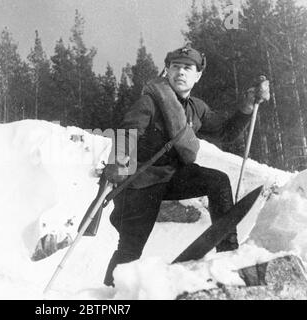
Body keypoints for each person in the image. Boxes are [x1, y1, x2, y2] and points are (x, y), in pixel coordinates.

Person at [103, 44, 269, 287]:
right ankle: (109, 293)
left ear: (197, 75)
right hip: (141, 182)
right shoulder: (150, 101)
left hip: (173, 176)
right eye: (175, 67)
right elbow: (128, 131)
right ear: (167, 71)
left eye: (187, 68)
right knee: (130, 248)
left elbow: (225, 132)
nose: (180, 72)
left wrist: (246, 107)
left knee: (218, 180)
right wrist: (118, 161)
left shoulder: (196, 108)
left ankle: (229, 254)